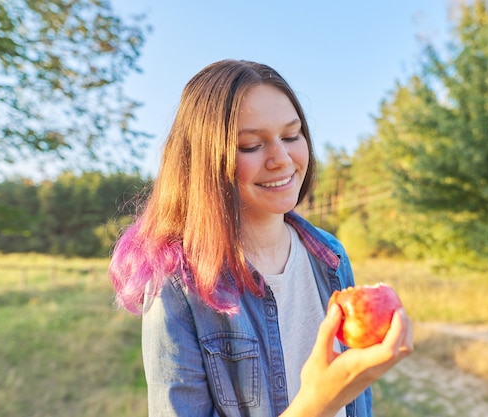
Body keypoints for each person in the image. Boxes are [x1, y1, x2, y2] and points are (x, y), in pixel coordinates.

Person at [108, 59, 413, 417]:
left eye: (291, 135)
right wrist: (317, 405)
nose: (282, 159)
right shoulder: (177, 285)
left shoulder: (330, 256)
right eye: (251, 145)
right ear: (206, 162)